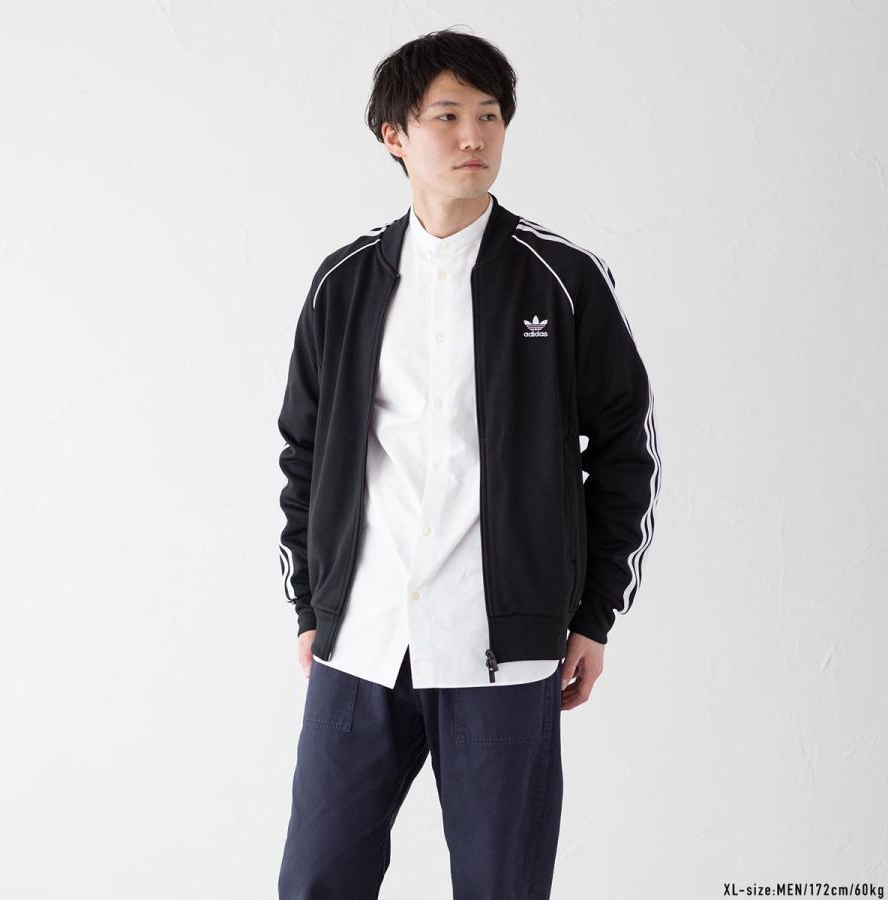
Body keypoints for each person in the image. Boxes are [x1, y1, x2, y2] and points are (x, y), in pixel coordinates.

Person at [275, 27, 661, 900]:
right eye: (446, 116)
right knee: (315, 880)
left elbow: (627, 451)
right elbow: (303, 451)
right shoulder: (343, 283)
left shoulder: (562, 279)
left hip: (503, 653)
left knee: (501, 888)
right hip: (361, 643)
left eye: (489, 116)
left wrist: (593, 615)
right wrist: (311, 604)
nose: (473, 136)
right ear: (395, 136)